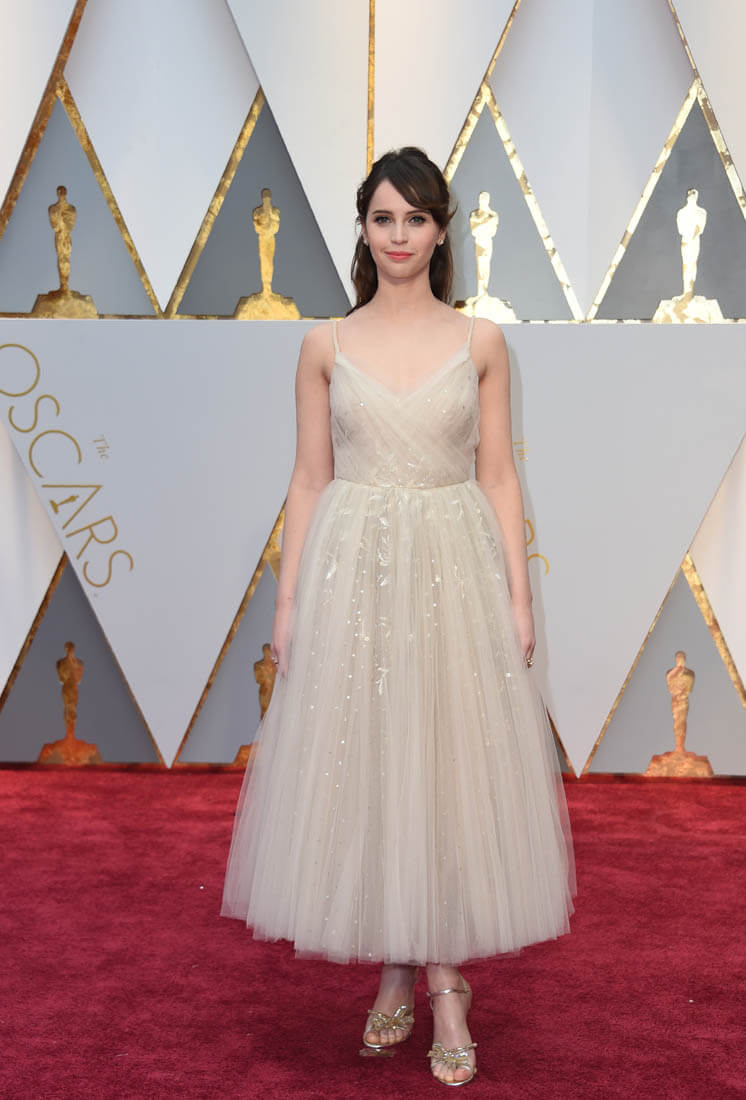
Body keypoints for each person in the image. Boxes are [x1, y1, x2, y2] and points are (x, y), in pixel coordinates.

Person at [221, 147, 576, 1087]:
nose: (400, 235)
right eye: (384, 218)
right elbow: (310, 479)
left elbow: (498, 477)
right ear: (364, 228)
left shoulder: (483, 342)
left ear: (441, 230)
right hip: (357, 574)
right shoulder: (324, 346)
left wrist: (518, 596)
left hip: (453, 571)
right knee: (374, 765)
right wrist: (289, 601)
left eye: (416, 218)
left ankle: (444, 982)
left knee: (446, 766)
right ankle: (393, 968)